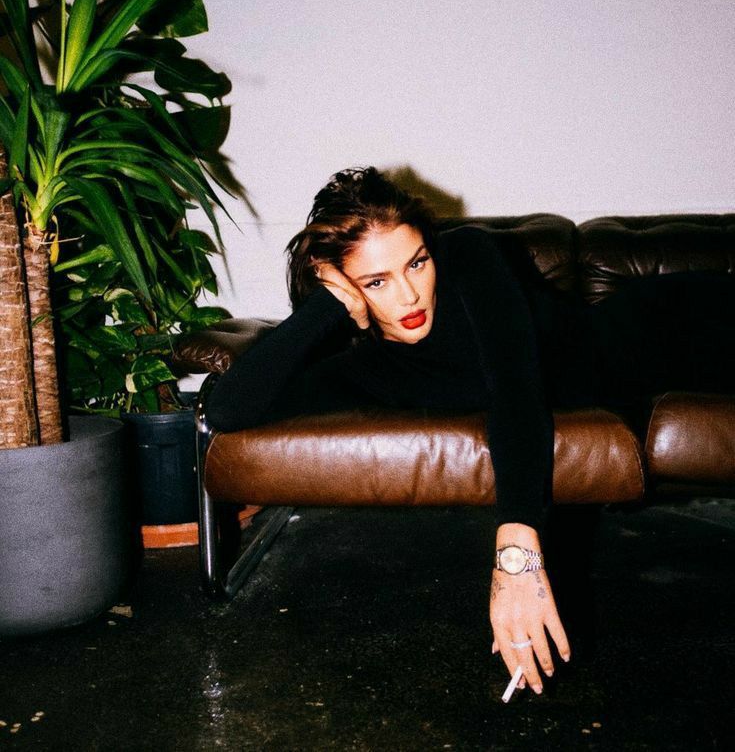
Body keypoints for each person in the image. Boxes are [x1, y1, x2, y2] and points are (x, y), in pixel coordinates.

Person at [206, 167, 735, 696]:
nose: (410, 295)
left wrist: (516, 560)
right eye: (376, 281)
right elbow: (227, 409)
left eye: (416, 263)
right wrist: (326, 305)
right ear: (340, 280)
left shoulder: (467, 257)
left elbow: (516, 393)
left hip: (670, 329)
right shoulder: (361, 369)